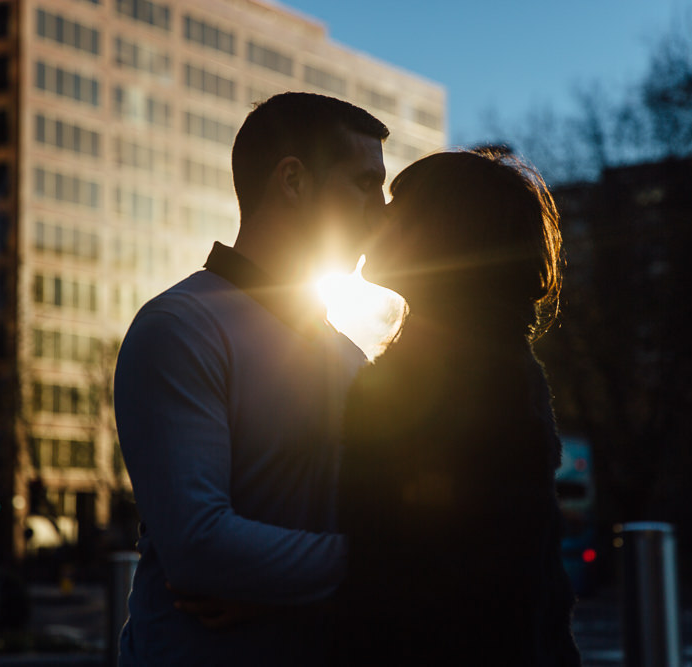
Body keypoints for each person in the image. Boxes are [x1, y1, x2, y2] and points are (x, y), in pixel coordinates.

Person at [112, 92, 389, 665]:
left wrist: (283, 590)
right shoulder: (180, 327)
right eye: (365, 185)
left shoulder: (348, 356)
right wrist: (386, 562)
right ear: (293, 181)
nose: (381, 212)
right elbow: (201, 547)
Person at [335, 147, 582, 665]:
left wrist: (258, 592)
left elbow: (409, 561)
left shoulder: (455, 377)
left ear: (441, 231)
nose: (380, 213)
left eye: (398, 203)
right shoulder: (494, 366)